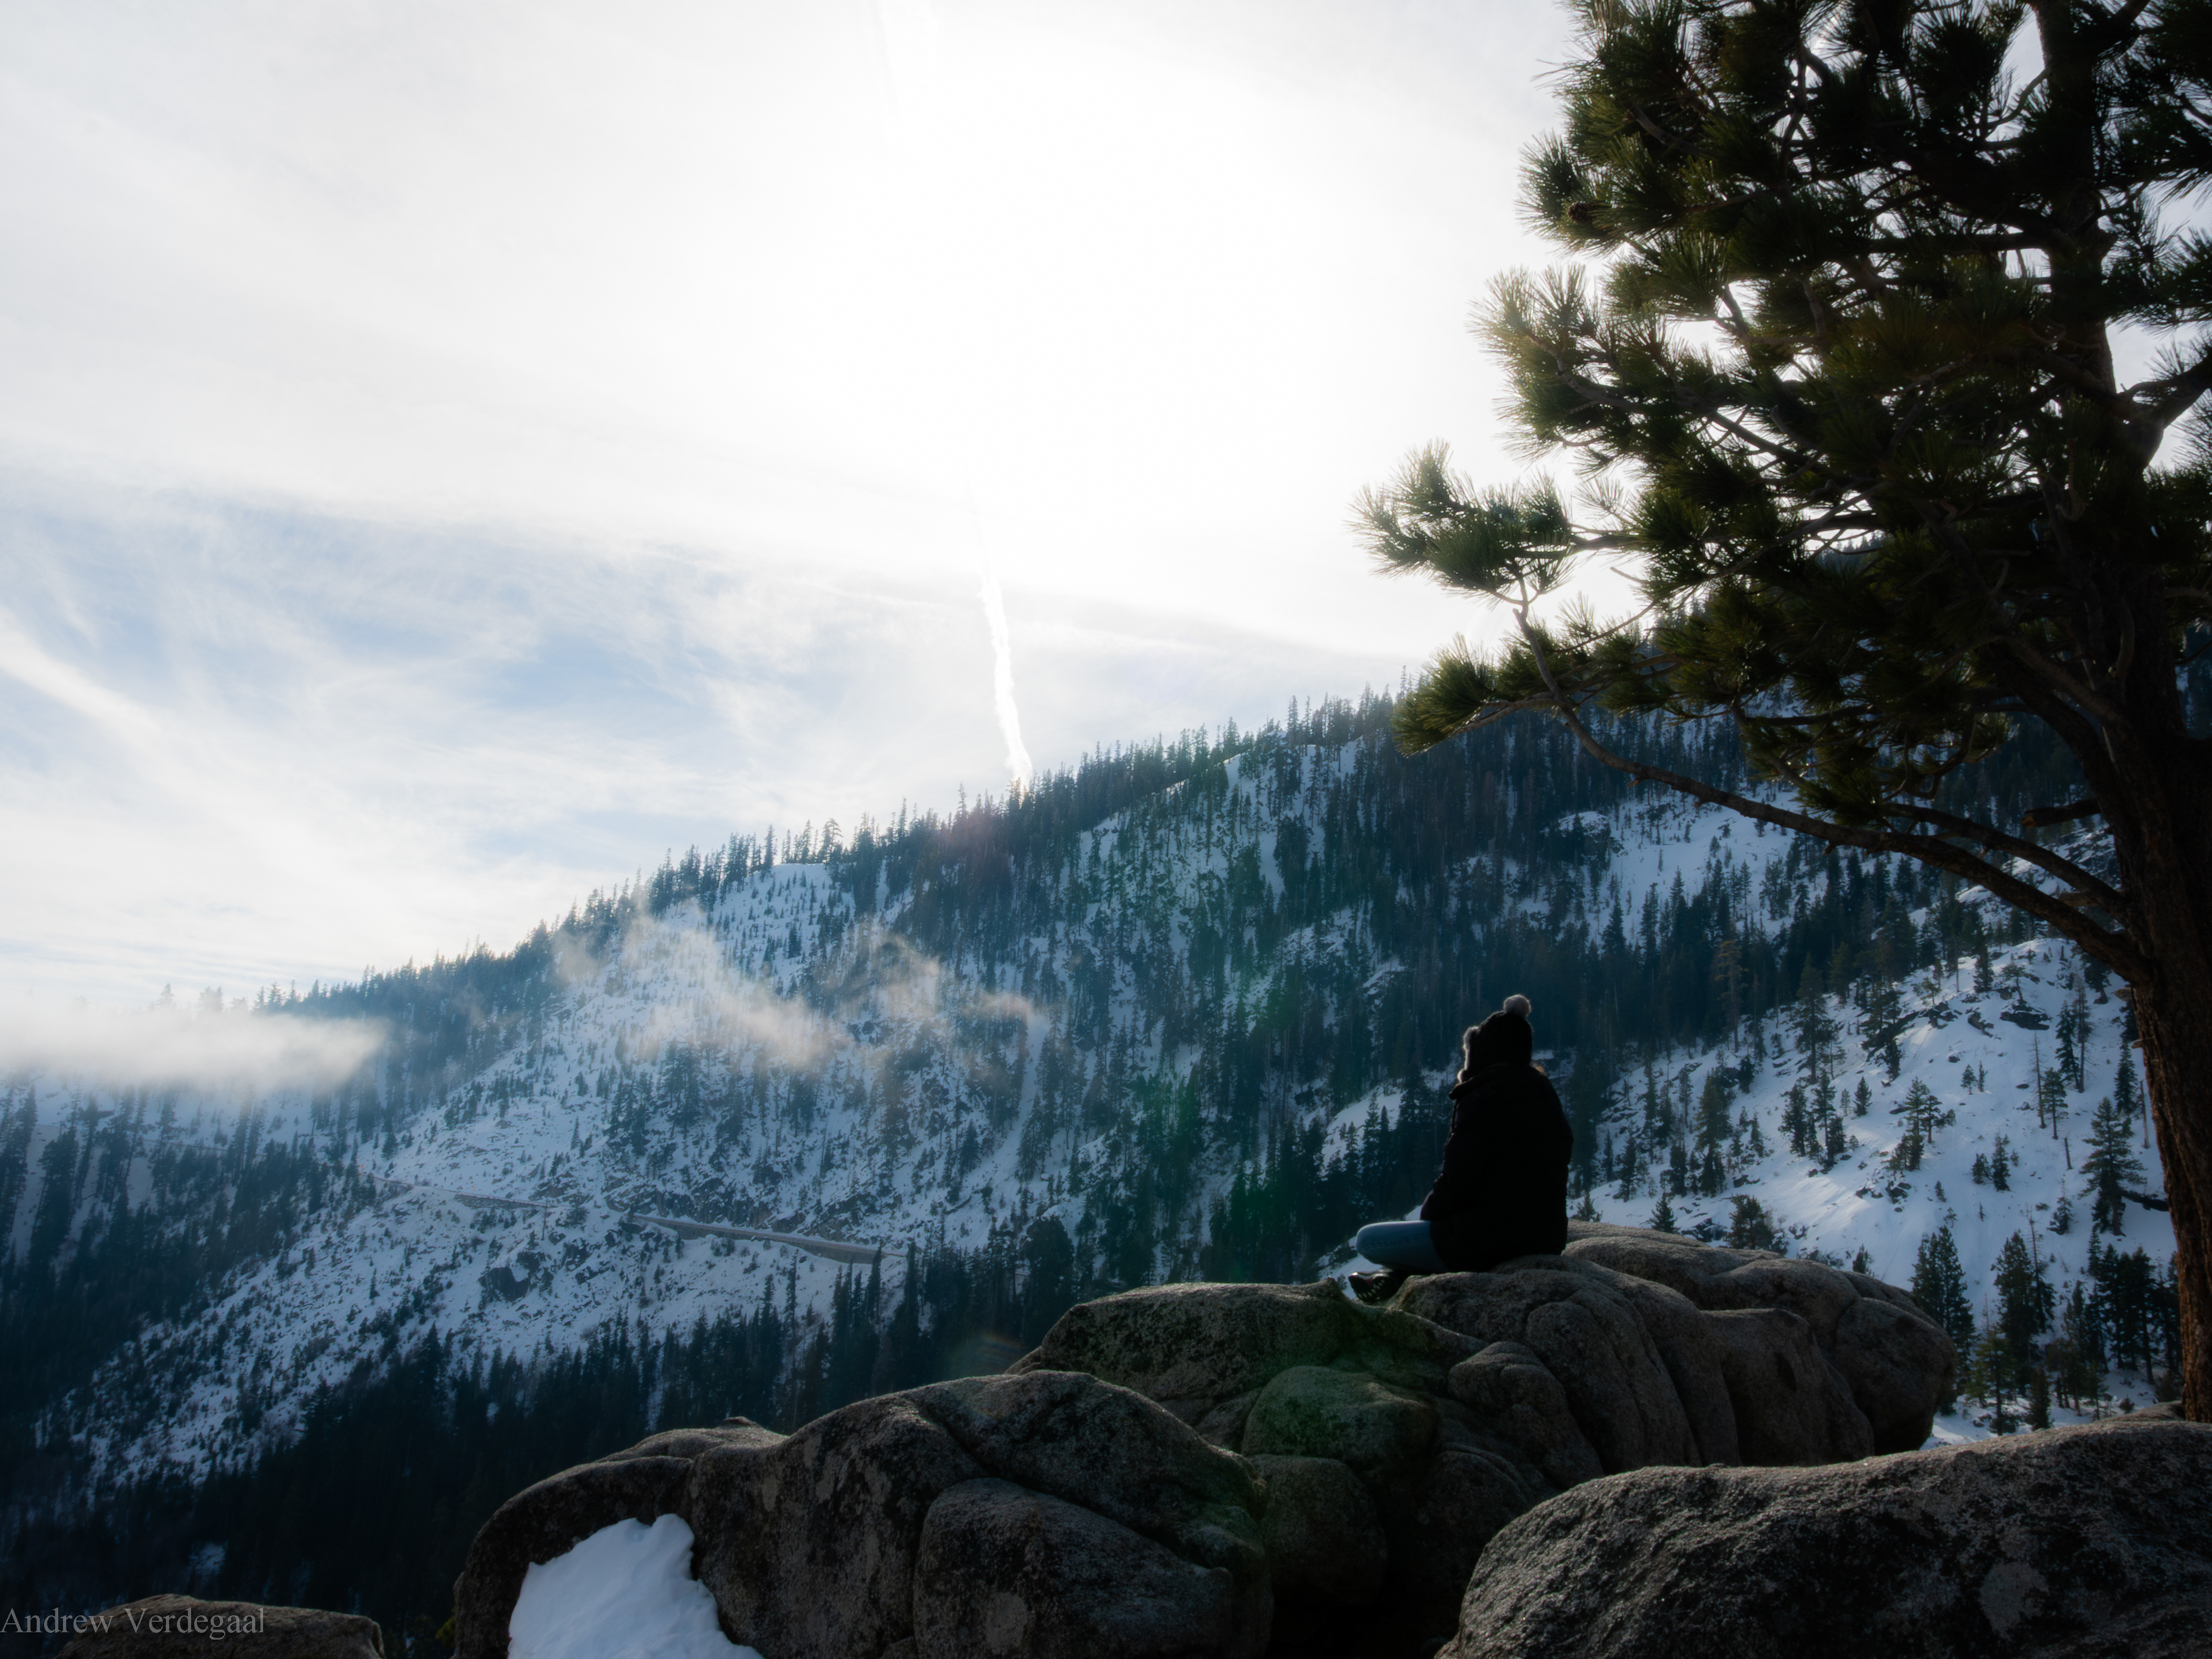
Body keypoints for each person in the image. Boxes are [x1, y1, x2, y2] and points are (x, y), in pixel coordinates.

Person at [1348, 994, 1572, 1303]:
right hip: (1546, 1238)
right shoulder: (1545, 1096)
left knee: (1368, 1241)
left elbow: (1457, 1182)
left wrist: (1429, 1222)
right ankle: (1392, 1277)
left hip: (1488, 1241)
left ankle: (1395, 1274)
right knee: (1428, 1240)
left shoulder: (1482, 1098)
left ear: (1483, 1052)